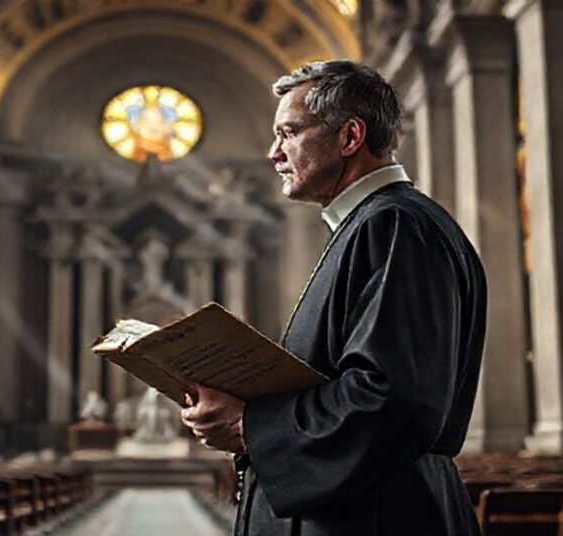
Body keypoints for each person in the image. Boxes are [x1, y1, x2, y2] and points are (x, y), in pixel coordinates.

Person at [180, 60, 486, 535]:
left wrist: (249, 425)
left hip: (374, 518)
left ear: (349, 137)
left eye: (289, 133)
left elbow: (389, 399)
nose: (273, 153)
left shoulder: (393, 226)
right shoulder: (375, 225)